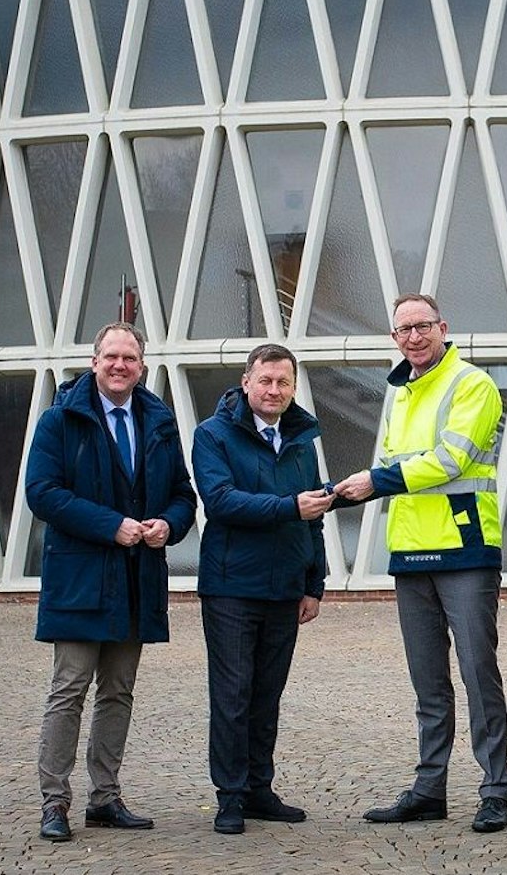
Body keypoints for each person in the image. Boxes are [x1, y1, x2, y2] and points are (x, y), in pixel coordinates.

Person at [332, 294, 507, 833]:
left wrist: (377, 479)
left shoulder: (472, 384)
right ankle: (430, 789)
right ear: (394, 337)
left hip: (465, 548)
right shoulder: (399, 393)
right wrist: (350, 489)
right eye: (403, 329)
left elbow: (451, 460)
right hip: (411, 551)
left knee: (478, 674)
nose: (413, 336)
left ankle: (494, 791)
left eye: (421, 326)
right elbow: (394, 464)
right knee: (428, 682)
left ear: (443, 327)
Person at [24, 322, 197, 843]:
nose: (120, 365)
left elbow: (183, 493)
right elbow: (42, 493)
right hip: (79, 577)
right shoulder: (60, 419)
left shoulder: (158, 420)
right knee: (69, 689)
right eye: (111, 357)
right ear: (94, 361)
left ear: (142, 366)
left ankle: (105, 797)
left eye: (130, 358)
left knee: (118, 692)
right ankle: (55, 802)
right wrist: (110, 525)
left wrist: (169, 525)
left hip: (137, 577)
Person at [190, 344, 333, 835]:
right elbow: (220, 501)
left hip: (285, 587)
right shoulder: (212, 435)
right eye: (266, 380)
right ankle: (230, 796)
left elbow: (315, 519)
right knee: (232, 695)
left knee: (267, 695)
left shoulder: (301, 440)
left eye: (283, 382)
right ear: (246, 382)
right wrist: (289, 507)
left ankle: (258, 789)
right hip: (231, 586)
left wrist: (314, 584)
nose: (274, 390)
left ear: (293, 388)